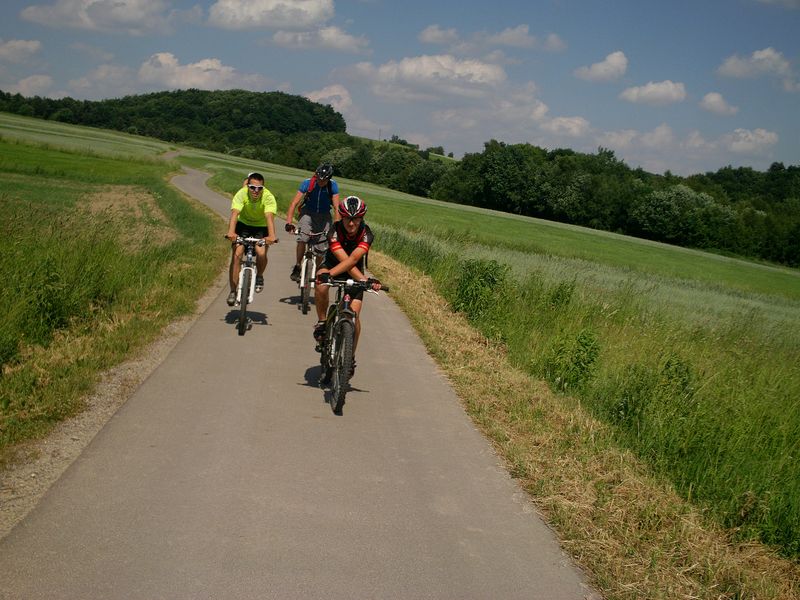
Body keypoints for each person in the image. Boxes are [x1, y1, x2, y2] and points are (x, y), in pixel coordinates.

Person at [314, 196, 382, 378]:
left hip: (353, 269)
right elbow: (346, 259)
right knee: (321, 285)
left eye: (356, 219)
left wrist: (365, 281)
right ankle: (322, 322)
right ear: (342, 217)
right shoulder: (334, 231)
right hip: (333, 265)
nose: (352, 223)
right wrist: (364, 279)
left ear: (362, 218)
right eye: (348, 219)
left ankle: (350, 357)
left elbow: (353, 261)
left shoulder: (367, 234)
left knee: (355, 316)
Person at [225, 172, 278, 306]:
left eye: (259, 188)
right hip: (243, 225)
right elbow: (234, 214)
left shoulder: (268, 197)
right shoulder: (241, 193)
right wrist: (231, 232)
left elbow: (269, 218)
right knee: (237, 253)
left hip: (261, 227)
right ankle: (233, 290)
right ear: (247, 186)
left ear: (263, 188)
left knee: (261, 253)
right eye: (252, 187)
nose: (256, 191)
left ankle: (259, 276)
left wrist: (271, 236)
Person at [284, 163, 340, 281]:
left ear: (329, 179)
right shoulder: (308, 183)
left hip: (324, 216)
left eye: (323, 180)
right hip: (307, 213)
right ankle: (298, 266)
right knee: (303, 238)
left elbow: (336, 208)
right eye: (318, 178)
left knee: (321, 248)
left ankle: (317, 271)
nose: (320, 182)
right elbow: (294, 203)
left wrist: (336, 226)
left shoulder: (333, 186)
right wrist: (289, 222)